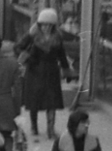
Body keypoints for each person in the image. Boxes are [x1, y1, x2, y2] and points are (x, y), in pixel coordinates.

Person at [19, 8, 72, 139]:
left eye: (50, 25)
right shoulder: (31, 35)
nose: (47, 27)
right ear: (40, 24)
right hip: (34, 70)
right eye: (44, 24)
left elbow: (62, 55)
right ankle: (34, 126)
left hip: (51, 71)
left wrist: (66, 71)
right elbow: (18, 47)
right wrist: (27, 58)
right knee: (34, 101)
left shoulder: (58, 37)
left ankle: (50, 129)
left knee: (52, 101)